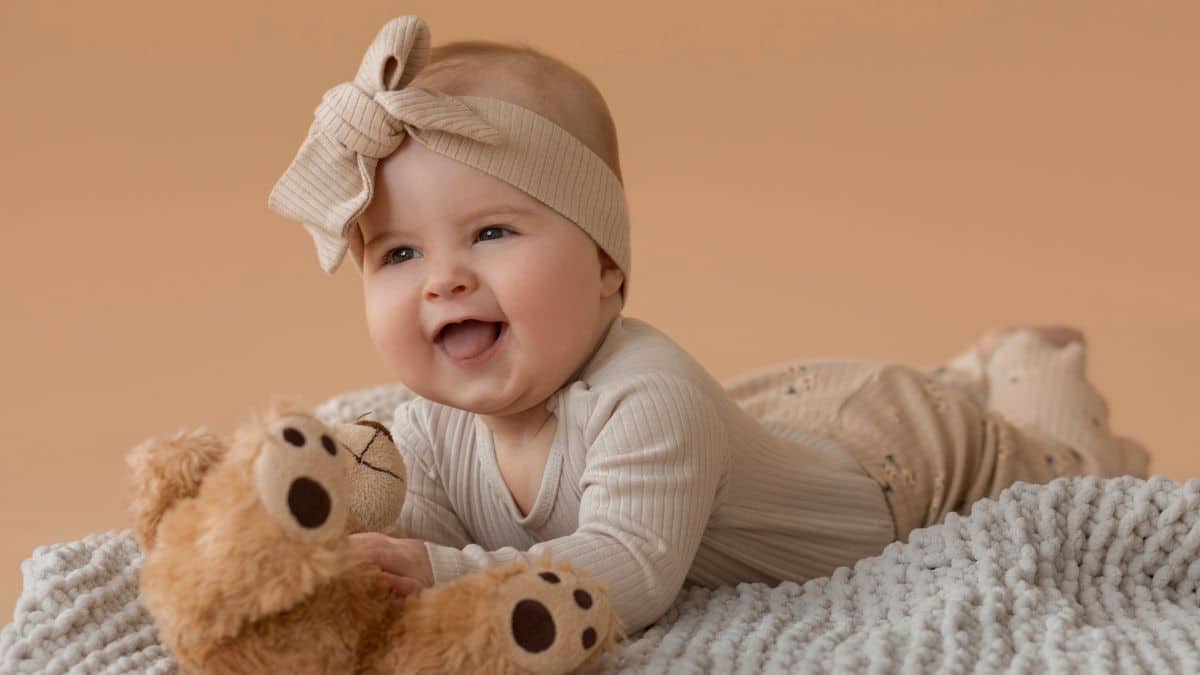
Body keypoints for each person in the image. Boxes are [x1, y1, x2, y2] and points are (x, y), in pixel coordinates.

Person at [266, 15, 1150, 635]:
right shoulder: (430, 426)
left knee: (1065, 465)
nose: (444, 279)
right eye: (397, 255)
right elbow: (417, 530)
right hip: (781, 416)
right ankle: (965, 366)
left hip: (907, 457)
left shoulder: (651, 395)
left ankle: (1025, 356)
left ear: (608, 263)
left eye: (491, 232)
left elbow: (632, 570)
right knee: (756, 429)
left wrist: (440, 575)